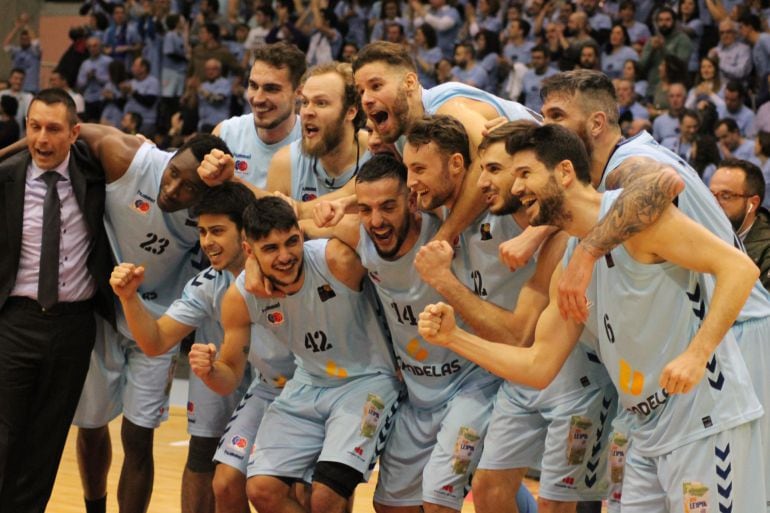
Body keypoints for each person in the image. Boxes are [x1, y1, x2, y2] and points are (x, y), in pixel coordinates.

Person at [418, 121, 766, 513]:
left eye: (525, 174)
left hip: (703, 422)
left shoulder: (639, 219)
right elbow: (538, 365)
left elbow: (739, 269)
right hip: (644, 431)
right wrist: (453, 338)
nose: (516, 189)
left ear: (565, 172)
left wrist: (697, 353)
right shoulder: (568, 260)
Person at [536, 69, 770, 511]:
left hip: (738, 325)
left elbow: (663, 185)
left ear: (597, 123)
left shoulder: (630, 162)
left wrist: (585, 253)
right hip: (706, 331)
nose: (546, 125)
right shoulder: (607, 182)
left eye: (557, 114)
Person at [403, 116, 614, 513]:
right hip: (523, 379)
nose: (484, 182)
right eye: (484, 169)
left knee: (556, 504)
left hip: (576, 381)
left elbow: (520, 334)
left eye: (497, 170)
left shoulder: (565, 234)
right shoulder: (491, 220)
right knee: (487, 489)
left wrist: (443, 282)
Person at [307, 151, 539, 513]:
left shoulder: (447, 230)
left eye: (388, 206)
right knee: (390, 506)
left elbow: (487, 177)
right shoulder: (359, 235)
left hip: (471, 386)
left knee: (439, 500)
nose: (377, 220)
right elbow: (290, 220)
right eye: (365, 209)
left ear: (412, 200)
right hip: (416, 395)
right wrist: (328, 208)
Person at [190, 196, 401, 513]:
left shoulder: (338, 261)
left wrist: (313, 219)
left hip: (366, 381)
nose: (286, 256)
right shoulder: (241, 296)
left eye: (291, 242)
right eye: (271, 249)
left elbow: (382, 229)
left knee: (326, 497)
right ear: (250, 252)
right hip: (307, 381)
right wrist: (209, 371)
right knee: (261, 489)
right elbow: (229, 376)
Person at [0, 88, 112, 513]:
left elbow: (121, 141)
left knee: (46, 441)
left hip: (74, 326)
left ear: (74, 133)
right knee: (5, 436)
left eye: (53, 129)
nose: (42, 140)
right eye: (33, 127)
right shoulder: (6, 177)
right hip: (14, 321)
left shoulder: (95, 173)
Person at [213, 42, 304, 189]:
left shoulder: (313, 143)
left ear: (298, 92)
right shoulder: (226, 134)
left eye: (271, 89)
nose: (258, 98)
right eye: (253, 86)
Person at [710, 159, 770, 290]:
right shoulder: (704, 232)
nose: (714, 204)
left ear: (752, 204)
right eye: (710, 195)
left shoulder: (766, 250)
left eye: (725, 196)